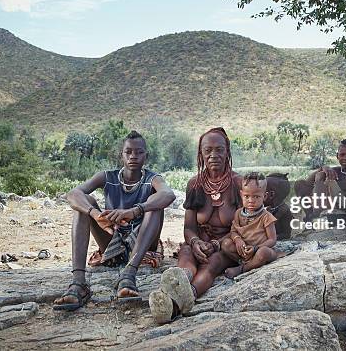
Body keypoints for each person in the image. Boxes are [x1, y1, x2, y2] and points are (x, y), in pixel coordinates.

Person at [53, 131, 175, 311]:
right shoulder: (107, 177)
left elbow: (168, 194)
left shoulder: (152, 178)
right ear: (121, 155)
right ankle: (79, 283)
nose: (133, 156)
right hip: (112, 242)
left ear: (146, 156)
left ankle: (128, 275)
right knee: (83, 207)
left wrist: (134, 211)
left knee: (155, 205)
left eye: (139, 152)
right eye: (128, 152)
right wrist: (95, 215)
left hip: (142, 244)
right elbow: (73, 194)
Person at [149, 127, 242, 324]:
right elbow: (189, 227)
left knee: (213, 262)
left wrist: (216, 244)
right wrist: (195, 241)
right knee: (185, 253)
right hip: (200, 243)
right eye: (208, 150)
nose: (213, 155)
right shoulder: (195, 184)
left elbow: (244, 227)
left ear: (228, 152)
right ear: (201, 153)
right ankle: (179, 284)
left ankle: (186, 298)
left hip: (228, 246)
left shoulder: (238, 184)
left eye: (219, 150)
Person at [221, 172, 278, 279]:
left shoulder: (266, 216)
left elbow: (272, 240)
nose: (251, 201)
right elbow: (233, 231)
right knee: (226, 244)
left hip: (259, 250)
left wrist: (256, 248)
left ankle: (242, 269)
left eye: (256, 197)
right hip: (244, 251)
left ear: (264, 196)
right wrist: (238, 240)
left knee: (264, 252)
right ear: (241, 194)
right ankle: (247, 263)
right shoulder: (238, 213)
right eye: (247, 196)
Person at [264, 173, 292, 240]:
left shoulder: (285, 211)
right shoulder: (266, 208)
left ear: (271, 195)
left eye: (260, 193)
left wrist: (271, 238)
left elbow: (287, 234)